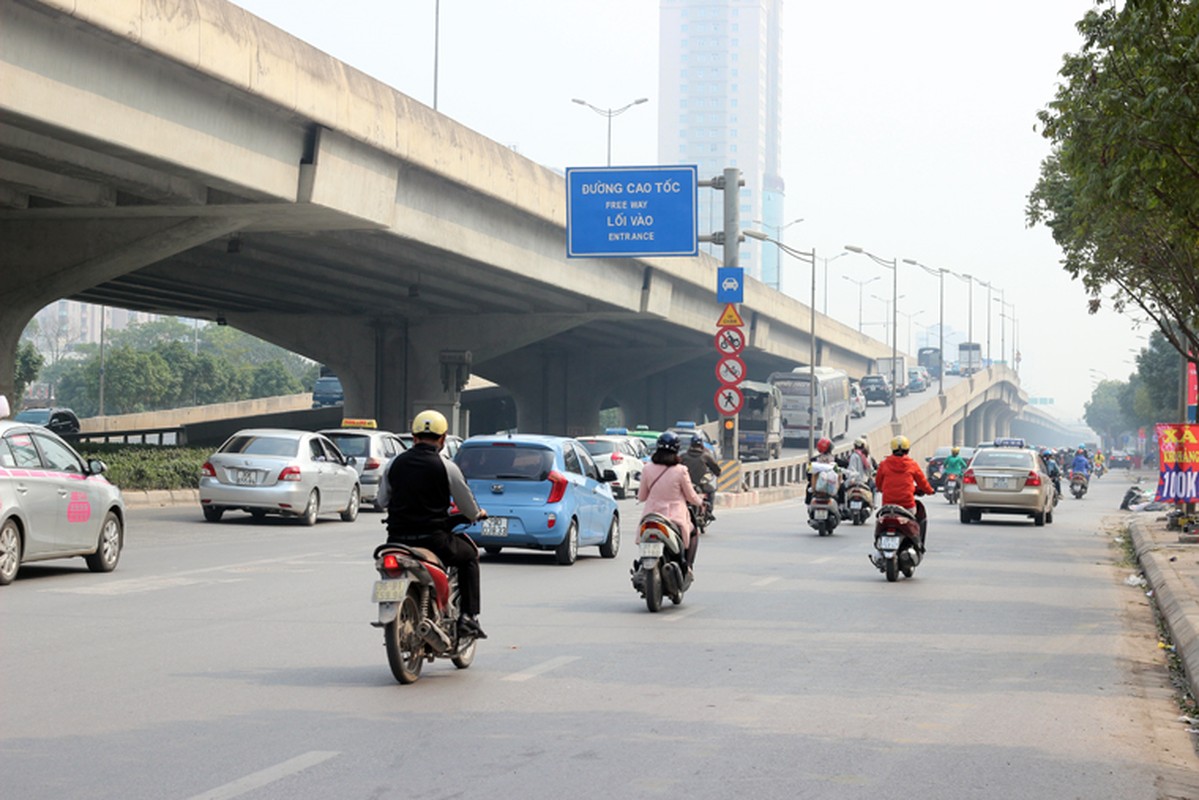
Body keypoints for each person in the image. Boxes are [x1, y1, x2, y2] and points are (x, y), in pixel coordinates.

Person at [383, 409, 489, 640]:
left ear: (414, 437)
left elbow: (381, 500)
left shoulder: (394, 465)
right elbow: (469, 509)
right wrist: (477, 513)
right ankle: (469, 617)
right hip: (434, 540)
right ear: (443, 438)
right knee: (469, 555)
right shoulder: (447, 467)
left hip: (397, 541)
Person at [639, 431, 704, 575]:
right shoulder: (681, 470)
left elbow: (642, 496)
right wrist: (701, 501)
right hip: (675, 517)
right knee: (693, 532)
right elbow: (691, 496)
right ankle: (687, 567)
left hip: (651, 515)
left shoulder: (647, 469)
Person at [874, 435, 934, 550]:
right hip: (907, 506)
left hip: (887, 506)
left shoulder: (884, 464)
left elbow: (878, 484)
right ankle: (919, 544)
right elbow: (922, 483)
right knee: (919, 518)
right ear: (907, 450)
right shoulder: (912, 464)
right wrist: (930, 491)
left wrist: (884, 490)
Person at [681, 433, 722, 521]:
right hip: (700, 484)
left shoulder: (683, 456)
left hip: (685, 484)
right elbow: (715, 468)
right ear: (701, 445)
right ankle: (709, 512)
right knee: (711, 491)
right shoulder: (705, 456)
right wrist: (717, 473)